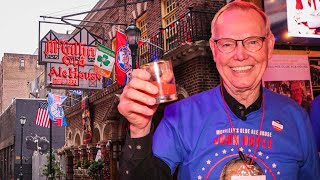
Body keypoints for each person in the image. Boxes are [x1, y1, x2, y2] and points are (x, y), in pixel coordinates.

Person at [118, 1, 320, 179]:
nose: (240, 55)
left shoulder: (297, 118)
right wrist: (139, 130)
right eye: (227, 44)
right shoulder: (180, 116)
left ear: (269, 46)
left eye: (252, 42)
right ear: (214, 51)